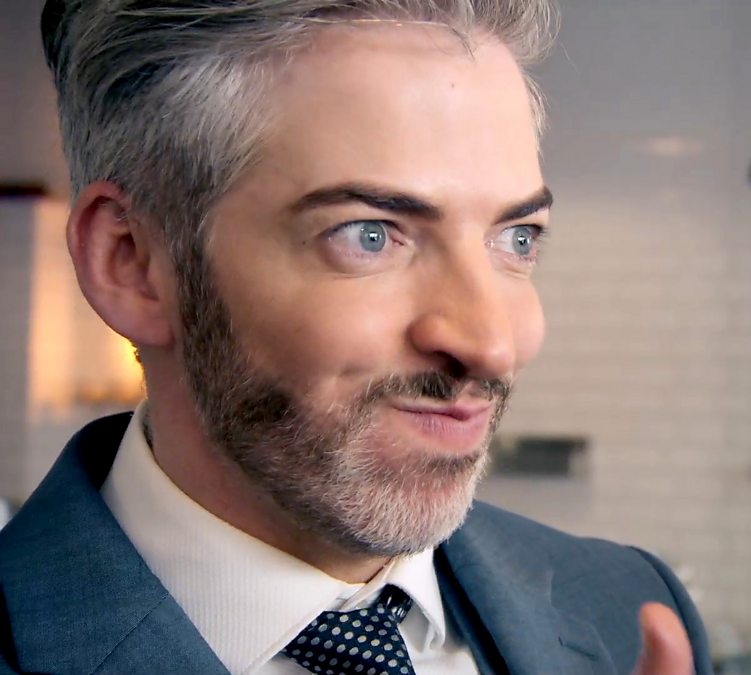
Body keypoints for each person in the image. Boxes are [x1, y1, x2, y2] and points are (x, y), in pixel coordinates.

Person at [0, 2, 711, 674]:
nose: (493, 344)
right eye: (370, 235)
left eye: (516, 238)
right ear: (131, 263)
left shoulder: (625, 604)